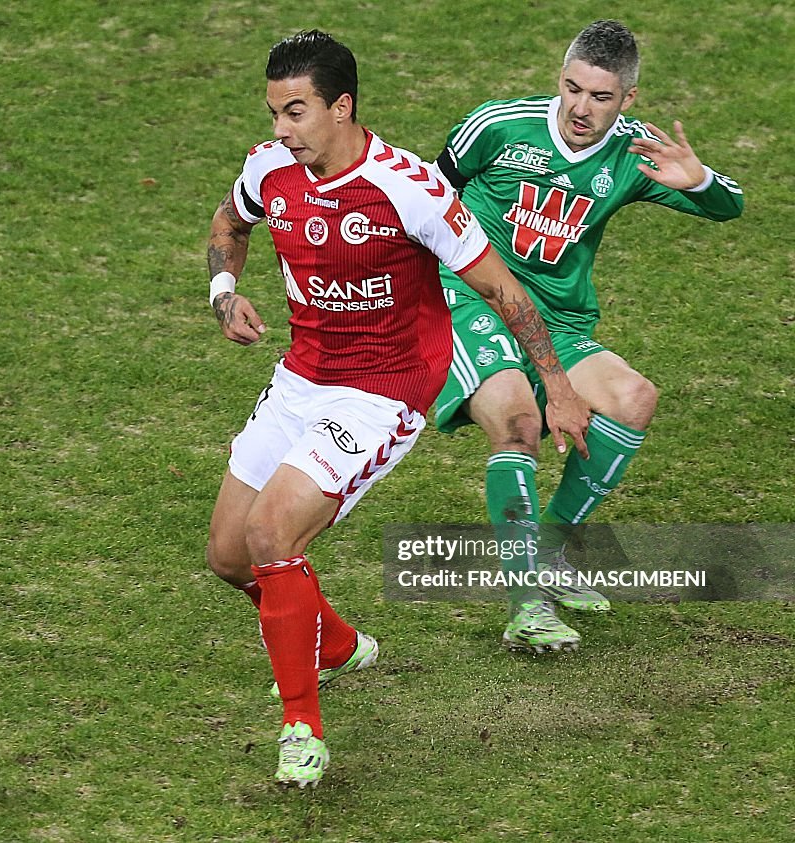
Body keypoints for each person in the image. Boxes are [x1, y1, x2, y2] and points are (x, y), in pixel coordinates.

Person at [204, 29, 589, 789]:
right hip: (301, 379)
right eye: (276, 111)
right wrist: (224, 293)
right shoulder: (269, 168)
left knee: (270, 531)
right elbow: (229, 224)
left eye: (297, 111)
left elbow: (503, 290)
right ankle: (339, 644)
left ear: (341, 107)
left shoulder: (408, 187)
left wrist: (562, 388)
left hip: (383, 391)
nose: (281, 127)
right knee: (227, 556)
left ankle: (301, 729)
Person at [432, 19, 744, 652]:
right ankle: (527, 608)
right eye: (572, 89)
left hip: (559, 322)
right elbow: (424, 195)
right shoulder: (496, 127)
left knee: (634, 399)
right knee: (518, 420)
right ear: (560, 79)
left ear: (627, 99)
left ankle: (548, 549)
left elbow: (729, 206)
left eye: (600, 97)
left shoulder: (634, 150)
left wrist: (701, 181)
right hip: (473, 298)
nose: (580, 108)